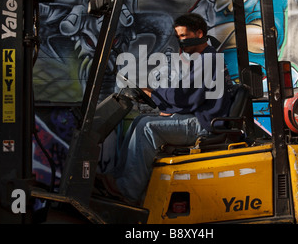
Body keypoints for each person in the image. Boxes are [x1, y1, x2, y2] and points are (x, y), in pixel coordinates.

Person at [100, 13, 234, 205]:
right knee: (139, 120)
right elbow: (191, 95)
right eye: (178, 37)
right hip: (200, 116)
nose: (181, 42)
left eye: (184, 36)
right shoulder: (204, 59)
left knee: (147, 128)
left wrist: (153, 93)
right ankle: (119, 179)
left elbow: (185, 96)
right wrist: (158, 98)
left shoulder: (208, 60)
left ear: (199, 33)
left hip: (205, 124)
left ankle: (127, 192)